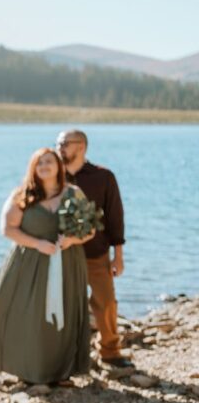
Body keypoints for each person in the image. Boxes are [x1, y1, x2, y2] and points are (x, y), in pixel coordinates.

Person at [0, 148, 92, 385]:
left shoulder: (73, 193)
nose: (44, 166)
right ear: (33, 167)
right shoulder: (21, 195)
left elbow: (89, 229)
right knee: (25, 314)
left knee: (65, 312)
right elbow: (7, 229)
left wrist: (72, 240)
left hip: (67, 262)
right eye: (39, 162)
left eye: (49, 161)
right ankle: (26, 370)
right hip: (28, 262)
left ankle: (61, 372)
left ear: (59, 166)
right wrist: (37, 244)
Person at [57, 129, 131, 368]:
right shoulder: (52, 177)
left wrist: (118, 256)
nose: (59, 148)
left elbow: (115, 217)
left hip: (96, 254)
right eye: (58, 143)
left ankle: (110, 351)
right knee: (64, 305)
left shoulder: (103, 176)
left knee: (106, 302)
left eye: (64, 144)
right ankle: (67, 357)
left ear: (81, 147)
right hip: (62, 255)